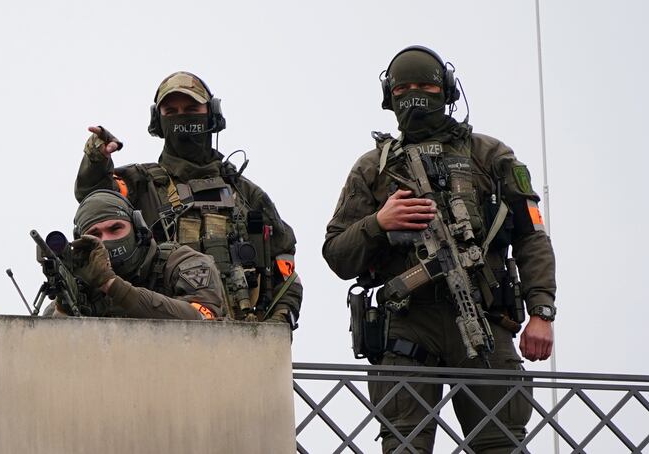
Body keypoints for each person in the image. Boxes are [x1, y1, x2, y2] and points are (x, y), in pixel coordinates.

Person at [322, 46, 556, 453]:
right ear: (389, 97)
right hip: (407, 324)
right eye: (404, 88)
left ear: (446, 91)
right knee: (405, 444)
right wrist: (379, 223)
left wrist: (541, 311)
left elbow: (532, 236)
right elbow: (337, 254)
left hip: (484, 316)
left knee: (502, 443)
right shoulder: (373, 167)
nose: (415, 96)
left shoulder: (491, 156)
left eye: (426, 86)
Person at [74, 71, 301, 328]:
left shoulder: (248, 196)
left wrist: (277, 328)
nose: (181, 117)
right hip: (160, 329)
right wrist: (96, 159)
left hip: (242, 341)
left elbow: (286, 271)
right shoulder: (141, 182)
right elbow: (95, 199)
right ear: (158, 121)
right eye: (171, 112)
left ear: (212, 114)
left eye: (191, 108)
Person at [43, 189, 224, 320]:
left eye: (115, 229)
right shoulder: (84, 291)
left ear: (138, 229)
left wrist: (112, 285)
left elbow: (204, 319)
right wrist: (66, 302)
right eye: (95, 235)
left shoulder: (182, 263)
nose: (105, 241)